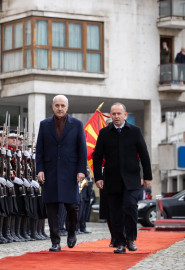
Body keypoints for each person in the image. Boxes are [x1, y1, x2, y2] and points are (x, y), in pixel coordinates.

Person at [93, 102, 152, 254]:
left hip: (132, 179)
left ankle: (130, 239)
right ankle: (119, 242)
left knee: (130, 206)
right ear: (110, 115)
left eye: (119, 114)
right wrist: (98, 177)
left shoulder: (135, 131)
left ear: (125, 115)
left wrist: (147, 177)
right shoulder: (104, 133)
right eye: (113, 114)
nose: (116, 116)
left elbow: (144, 156)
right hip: (111, 179)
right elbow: (97, 157)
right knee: (115, 212)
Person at [36, 94, 87, 252]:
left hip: (70, 172)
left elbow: (82, 150)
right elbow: (39, 149)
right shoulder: (44, 124)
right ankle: (55, 241)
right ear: (52, 107)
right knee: (51, 208)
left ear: (67, 107)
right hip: (50, 171)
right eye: (57, 105)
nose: (59, 108)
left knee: (72, 206)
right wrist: (40, 169)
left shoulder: (77, 124)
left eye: (62, 105)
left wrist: (81, 170)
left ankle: (72, 232)